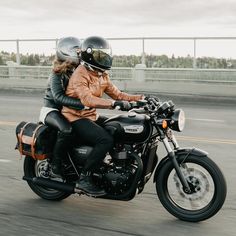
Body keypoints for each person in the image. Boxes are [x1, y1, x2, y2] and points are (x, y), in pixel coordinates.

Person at [62, 36, 144, 196]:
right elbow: (87, 99)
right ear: (89, 55)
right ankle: (84, 178)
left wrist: (141, 99)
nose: (105, 58)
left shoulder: (101, 74)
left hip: (90, 115)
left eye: (106, 54)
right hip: (75, 117)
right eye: (101, 55)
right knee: (104, 139)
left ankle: (110, 164)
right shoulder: (80, 74)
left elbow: (118, 94)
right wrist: (113, 104)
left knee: (117, 128)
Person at [39, 37, 84, 177]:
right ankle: (55, 166)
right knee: (67, 130)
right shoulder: (57, 73)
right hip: (51, 110)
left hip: (67, 111)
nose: (79, 53)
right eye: (77, 51)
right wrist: (81, 104)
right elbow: (58, 97)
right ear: (66, 52)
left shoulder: (75, 70)